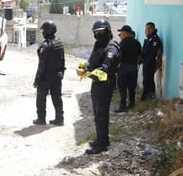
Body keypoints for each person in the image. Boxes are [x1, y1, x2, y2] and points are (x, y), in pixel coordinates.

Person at [76, 19, 120, 154]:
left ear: (107, 31)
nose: (98, 35)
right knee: (96, 112)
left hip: (105, 83)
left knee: (101, 113)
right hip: (96, 84)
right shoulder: (98, 45)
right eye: (96, 32)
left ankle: (102, 144)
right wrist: (84, 66)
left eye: (100, 32)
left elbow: (105, 70)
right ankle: (101, 139)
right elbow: (92, 60)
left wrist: (86, 73)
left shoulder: (112, 48)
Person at [33, 20, 66, 126]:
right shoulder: (59, 42)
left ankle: (41, 119)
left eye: (44, 30)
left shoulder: (46, 46)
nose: (42, 32)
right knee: (57, 98)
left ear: (47, 31)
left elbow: (42, 64)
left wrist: (37, 79)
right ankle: (59, 119)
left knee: (41, 98)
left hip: (46, 77)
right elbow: (62, 60)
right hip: (57, 75)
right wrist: (61, 73)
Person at [115, 25, 141, 112]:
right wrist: (134, 65)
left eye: (121, 33)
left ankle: (123, 106)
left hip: (123, 67)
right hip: (133, 67)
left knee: (122, 88)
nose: (120, 34)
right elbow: (139, 56)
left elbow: (118, 56)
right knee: (131, 87)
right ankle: (131, 104)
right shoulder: (137, 43)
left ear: (126, 33)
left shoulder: (122, 43)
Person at [141, 22, 162, 100]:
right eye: (146, 28)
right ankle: (148, 96)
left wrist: (146, 62)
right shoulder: (149, 39)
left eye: (149, 28)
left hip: (150, 63)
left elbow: (153, 53)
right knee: (146, 80)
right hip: (146, 62)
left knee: (148, 80)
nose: (147, 30)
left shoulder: (154, 39)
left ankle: (147, 96)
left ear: (153, 28)